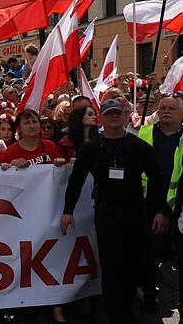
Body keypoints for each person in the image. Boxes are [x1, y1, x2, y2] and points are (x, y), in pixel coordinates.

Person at [62, 99, 168, 324]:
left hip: (136, 213)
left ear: (125, 116)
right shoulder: (91, 148)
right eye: (109, 113)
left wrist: (158, 210)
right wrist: (67, 211)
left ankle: (129, 304)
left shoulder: (140, 147)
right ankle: (116, 315)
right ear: (101, 118)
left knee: (133, 263)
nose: (114, 116)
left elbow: (157, 179)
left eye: (118, 113)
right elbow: (76, 180)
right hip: (106, 213)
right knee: (110, 266)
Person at [135, 95, 183, 311]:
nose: (166, 111)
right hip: (151, 203)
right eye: (162, 108)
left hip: (179, 205)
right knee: (150, 253)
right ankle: (148, 295)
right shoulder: (145, 133)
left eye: (171, 108)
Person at [0, 110, 65, 169]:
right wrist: (11, 165)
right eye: (27, 123)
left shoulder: (50, 145)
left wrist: (61, 163)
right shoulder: (11, 151)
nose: (32, 126)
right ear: (19, 128)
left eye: (35, 122)